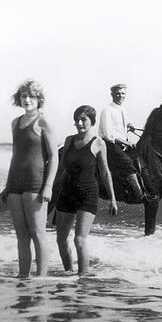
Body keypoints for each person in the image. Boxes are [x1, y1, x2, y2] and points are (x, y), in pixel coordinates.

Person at [0, 79, 59, 278]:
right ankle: (23, 277)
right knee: (21, 236)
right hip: (16, 183)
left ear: (38, 99)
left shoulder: (43, 122)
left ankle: (41, 278)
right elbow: (15, 155)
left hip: (36, 182)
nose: (27, 100)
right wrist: (8, 186)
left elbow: (54, 156)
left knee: (38, 233)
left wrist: (48, 186)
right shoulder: (14, 123)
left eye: (31, 96)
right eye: (24, 96)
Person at [54, 105, 118, 275]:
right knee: (60, 239)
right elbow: (61, 169)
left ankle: (83, 279)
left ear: (92, 121)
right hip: (67, 193)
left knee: (79, 239)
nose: (80, 123)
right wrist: (50, 190)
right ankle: (69, 273)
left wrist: (112, 198)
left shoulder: (98, 143)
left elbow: (105, 172)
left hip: (87, 193)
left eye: (84, 119)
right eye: (77, 120)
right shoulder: (69, 140)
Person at [98, 83, 143, 203]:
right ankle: (138, 195)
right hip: (110, 144)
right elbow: (108, 134)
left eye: (123, 93)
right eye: (118, 93)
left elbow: (126, 120)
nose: (120, 96)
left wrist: (130, 125)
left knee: (140, 157)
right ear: (112, 94)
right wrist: (126, 142)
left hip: (122, 144)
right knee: (127, 163)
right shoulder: (107, 110)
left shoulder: (122, 109)